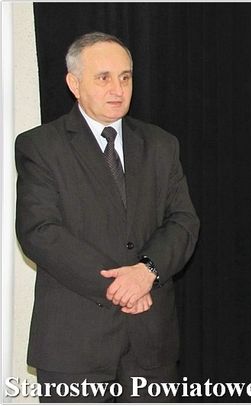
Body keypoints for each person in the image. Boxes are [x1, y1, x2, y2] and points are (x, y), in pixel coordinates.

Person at [15, 32, 200, 402]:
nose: (118, 89)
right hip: (74, 344)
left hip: (151, 344)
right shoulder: (41, 145)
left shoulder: (161, 144)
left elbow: (183, 222)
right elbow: (40, 231)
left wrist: (146, 272)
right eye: (103, 78)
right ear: (74, 84)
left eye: (125, 77)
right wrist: (120, 287)